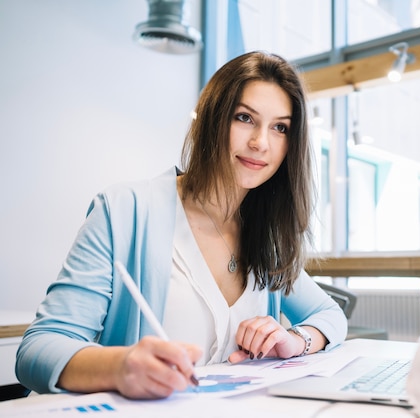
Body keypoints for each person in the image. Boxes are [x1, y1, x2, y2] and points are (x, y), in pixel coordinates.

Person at [16, 51, 347, 400]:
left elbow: (329, 315)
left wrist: (295, 340)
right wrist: (120, 366)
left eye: (280, 127)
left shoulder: (266, 236)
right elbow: (38, 349)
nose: (260, 143)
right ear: (212, 119)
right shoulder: (124, 210)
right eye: (244, 118)